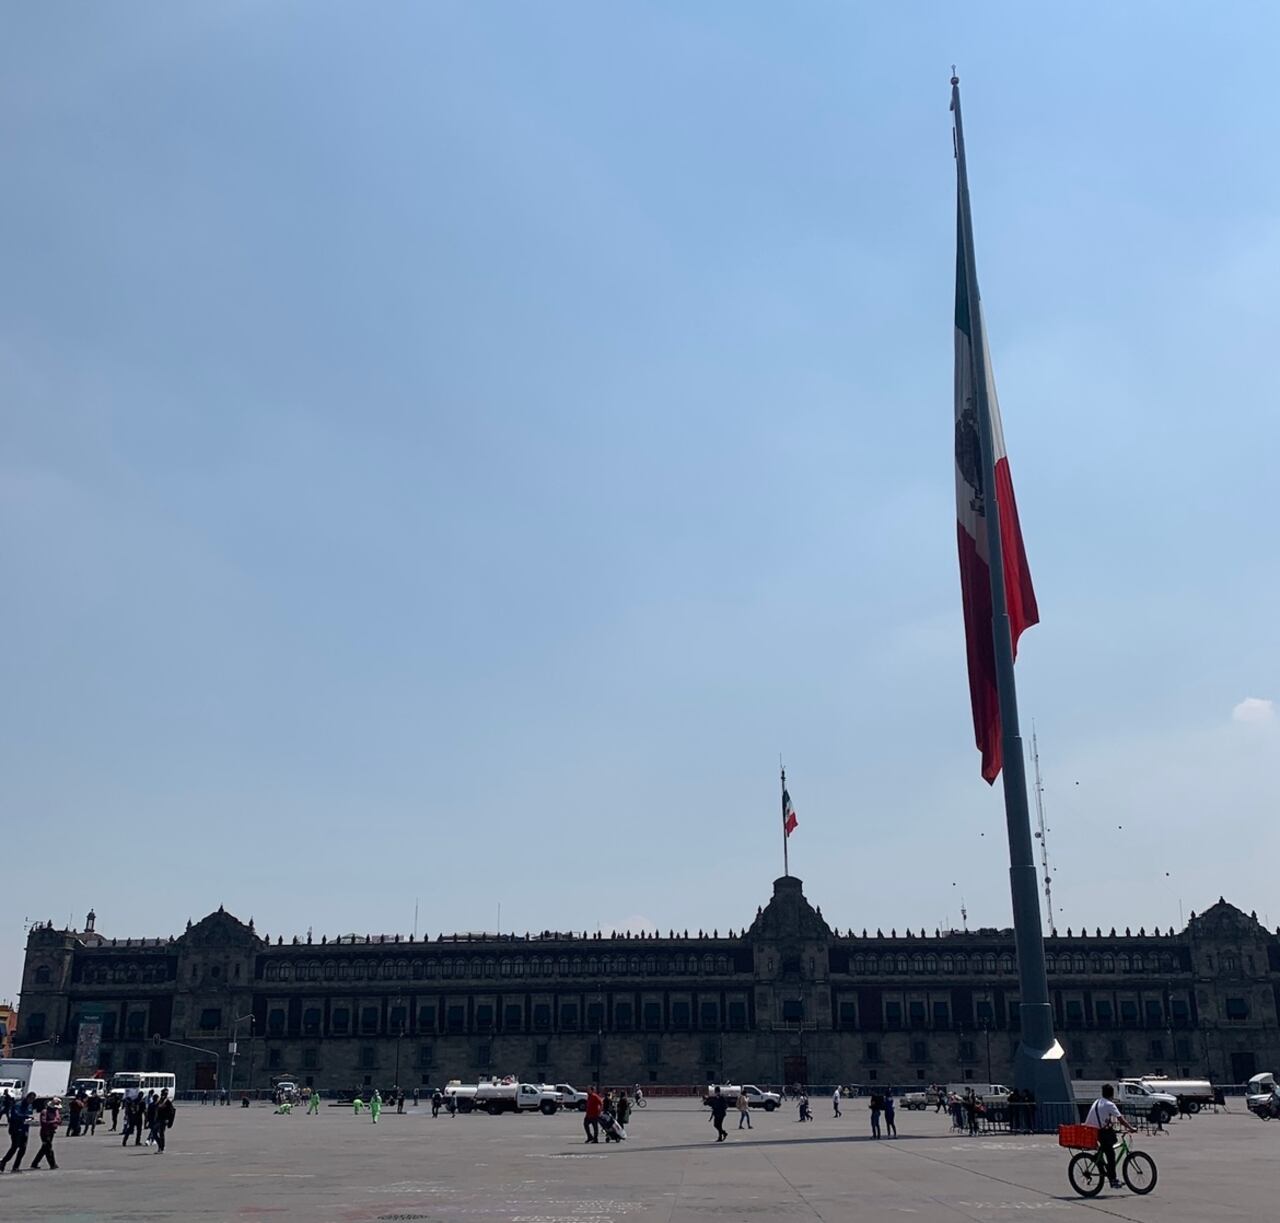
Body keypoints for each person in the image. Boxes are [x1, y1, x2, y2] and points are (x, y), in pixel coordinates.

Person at [1085, 1084, 1135, 1190]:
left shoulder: (1098, 1101)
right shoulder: (1109, 1104)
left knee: (1107, 1146)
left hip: (1091, 1130)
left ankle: (1102, 1164)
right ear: (1112, 1094)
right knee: (1111, 1154)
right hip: (1100, 1132)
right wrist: (1131, 1128)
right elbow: (1121, 1119)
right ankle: (1113, 1180)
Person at [1, 1092, 37, 1172]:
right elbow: (16, 1115)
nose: (31, 1101)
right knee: (14, 1147)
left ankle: (16, 1167)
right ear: (27, 1097)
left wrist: (30, 1120)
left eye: (33, 1099)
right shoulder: (18, 1105)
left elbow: (29, 1117)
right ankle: (3, 1162)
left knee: (23, 1148)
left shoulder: (30, 1106)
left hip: (24, 1129)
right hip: (16, 1129)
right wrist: (27, 1117)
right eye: (30, 1099)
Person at [30, 1096, 62, 1170]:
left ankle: (34, 1163)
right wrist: (54, 1121)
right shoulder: (45, 1112)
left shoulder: (56, 1112)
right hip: (45, 1132)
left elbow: (59, 1120)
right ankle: (52, 1164)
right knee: (48, 1148)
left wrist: (58, 1122)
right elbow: (44, 1123)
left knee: (44, 1148)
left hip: (52, 1132)